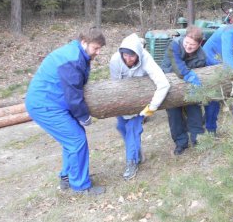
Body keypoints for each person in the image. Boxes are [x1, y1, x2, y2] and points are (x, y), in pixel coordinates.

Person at [25, 27, 106, 195]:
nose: (98, 52)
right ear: (84, 42)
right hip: (45, 104)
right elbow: (73, 95)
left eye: (100, 49)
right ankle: (81, 187)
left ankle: (67, 176)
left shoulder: (78, 54)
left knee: (72, 138)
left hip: (51, 100)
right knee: (76, 139)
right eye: (95, 48)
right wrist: (84, 116)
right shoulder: (72, 59)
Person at [109, 33, 170, 180]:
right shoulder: (115, 60)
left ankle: (132, 162)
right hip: (122, 102)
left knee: (133, 130)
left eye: (132, 56)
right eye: (125, 55)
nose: (128, 59)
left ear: (138, 54)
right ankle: (137, 153)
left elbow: (164, 84)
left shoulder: (146, 59)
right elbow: (115, 86)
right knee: (122, 128)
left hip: (140, 101)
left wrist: (151, 107)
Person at [161, 26, 206, 155]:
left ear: (199, 44)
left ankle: (198, 139)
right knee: (174, 116)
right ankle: (181, 143)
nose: (188, 46)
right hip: (170, 86)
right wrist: (190, 76)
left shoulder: (201, 56)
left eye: (192, 45)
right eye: (186, 43)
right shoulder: (174, 45)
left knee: (195, 112)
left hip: (189, 89)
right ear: (184, 38)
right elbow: (179, 68)